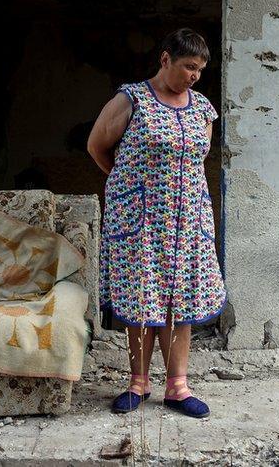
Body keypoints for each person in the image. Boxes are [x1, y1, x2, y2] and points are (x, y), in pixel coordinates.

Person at [87, 28, 227, 419]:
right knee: (142, 297)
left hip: (188, 220)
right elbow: (96, 146)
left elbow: (198, 159)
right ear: (165, 59)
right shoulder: (130, 99)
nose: (194, 75)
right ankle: (138, 383)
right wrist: (127, 187)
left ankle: (178, 387)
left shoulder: (202, 108)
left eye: (199, 69)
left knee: (181, 300)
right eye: (188, 66)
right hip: (141, 219)